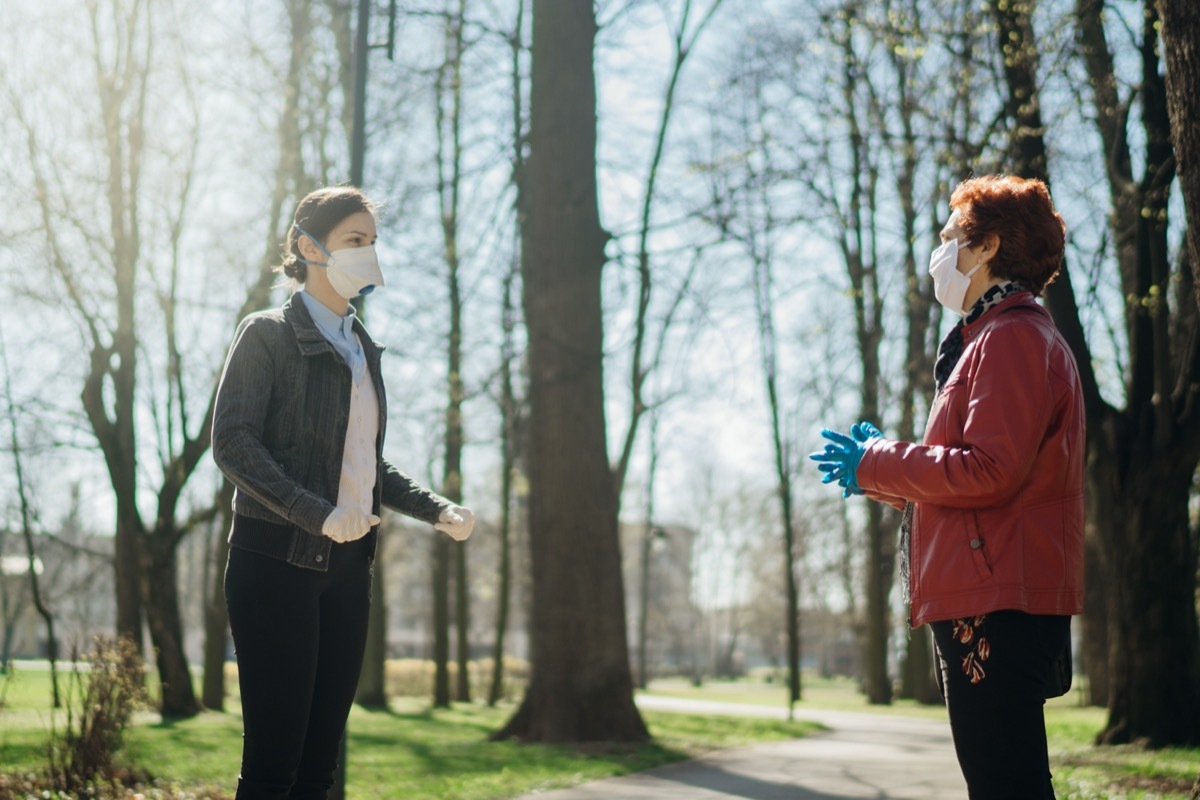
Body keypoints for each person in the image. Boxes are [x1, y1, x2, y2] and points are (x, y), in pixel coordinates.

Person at [810, 174, 1084, 799]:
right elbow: (983, 476)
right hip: (989, 598)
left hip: (996, 606)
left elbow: (988, 470)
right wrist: (875, 475)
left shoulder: (1011, 337)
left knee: (1005, 786)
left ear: (986, 247)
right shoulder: (995, 337)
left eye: (950, 236)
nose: (940, 252)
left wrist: (879, 460)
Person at [212, 185, 474, 799]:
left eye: (373, 242)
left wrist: (434, 508)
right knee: (275, 768)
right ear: (309, 246)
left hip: (349, 570)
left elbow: (363, 463)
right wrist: (316, 513)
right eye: (355, 241)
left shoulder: (361, 348)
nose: (369, 253)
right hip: (275, 563)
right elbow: (234, 443)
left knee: (319, 770)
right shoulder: (267, 334)